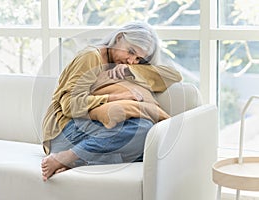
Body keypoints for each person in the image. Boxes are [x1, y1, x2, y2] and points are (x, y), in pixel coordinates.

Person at [41, 21, 182, 181]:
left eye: (138, 59)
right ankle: (68, 156)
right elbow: (69, 105)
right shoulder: (91, 57)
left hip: (97, 132)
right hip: (64, 130)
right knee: (142, 128)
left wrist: (132, 70)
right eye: (130, 51)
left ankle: (79, 161)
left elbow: (174, 75)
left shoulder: (127, 66)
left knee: (153, 146)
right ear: (119, 38)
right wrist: (115, 97)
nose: (131, 60)